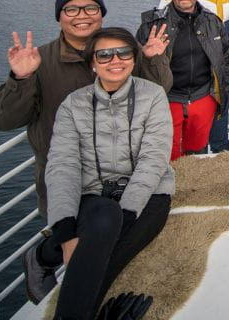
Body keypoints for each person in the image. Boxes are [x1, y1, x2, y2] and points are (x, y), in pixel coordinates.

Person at [0, 0, 171, 304]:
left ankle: (82, 295)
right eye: (71, 8)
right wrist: (22, 78)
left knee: (107, 243)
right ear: (59, 15)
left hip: (123, 173)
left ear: (101, 13)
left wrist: (153, 59)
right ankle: (46, 259)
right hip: (72, 177)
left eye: (90, 8)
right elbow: (3, 120)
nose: (82, 15)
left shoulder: (119, 50)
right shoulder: (39, 61)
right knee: (79, 243)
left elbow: (154, 94)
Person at [42, 27, 174, 319]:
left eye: (124, 52)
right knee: (105, 218)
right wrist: (64, 232)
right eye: (104, 54)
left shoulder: (152, 96)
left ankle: (52, 270)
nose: (115, 60)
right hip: (95, 196)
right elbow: (63, 165)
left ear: (134, 58)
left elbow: (154, 159)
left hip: (148, 196)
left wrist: (127, 213)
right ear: (92, 62)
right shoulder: (74, 104)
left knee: (110, 248)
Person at [138, 0, 229, 161]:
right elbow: (137, 68)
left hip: (203, 97)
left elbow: (226, 58)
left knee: (197, 151)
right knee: (167, 152)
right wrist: (148, 57)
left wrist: (224, 87)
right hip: (167, 100)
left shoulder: (212, 21)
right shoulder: (153, 25)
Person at [159, 0, 229, 153]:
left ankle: (219, 158)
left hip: (216, 72)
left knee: (215, 129)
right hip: (183, 82)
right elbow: (162, 24)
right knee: (183, 142)